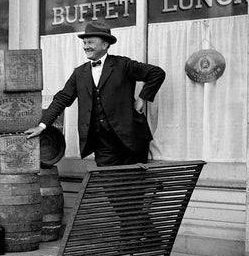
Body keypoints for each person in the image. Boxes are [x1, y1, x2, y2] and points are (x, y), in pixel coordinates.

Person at [24, 20, 165, 166]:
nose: (86, 47)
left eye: (90, 42)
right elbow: (62, 99)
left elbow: (157, 73)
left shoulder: (123, 65)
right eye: (84, 43)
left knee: (132, 185)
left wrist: (143, 98)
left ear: (105, 45)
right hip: (102, 143)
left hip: (132, 140)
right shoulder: (80, 73)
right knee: (106, 183)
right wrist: (42, 126)